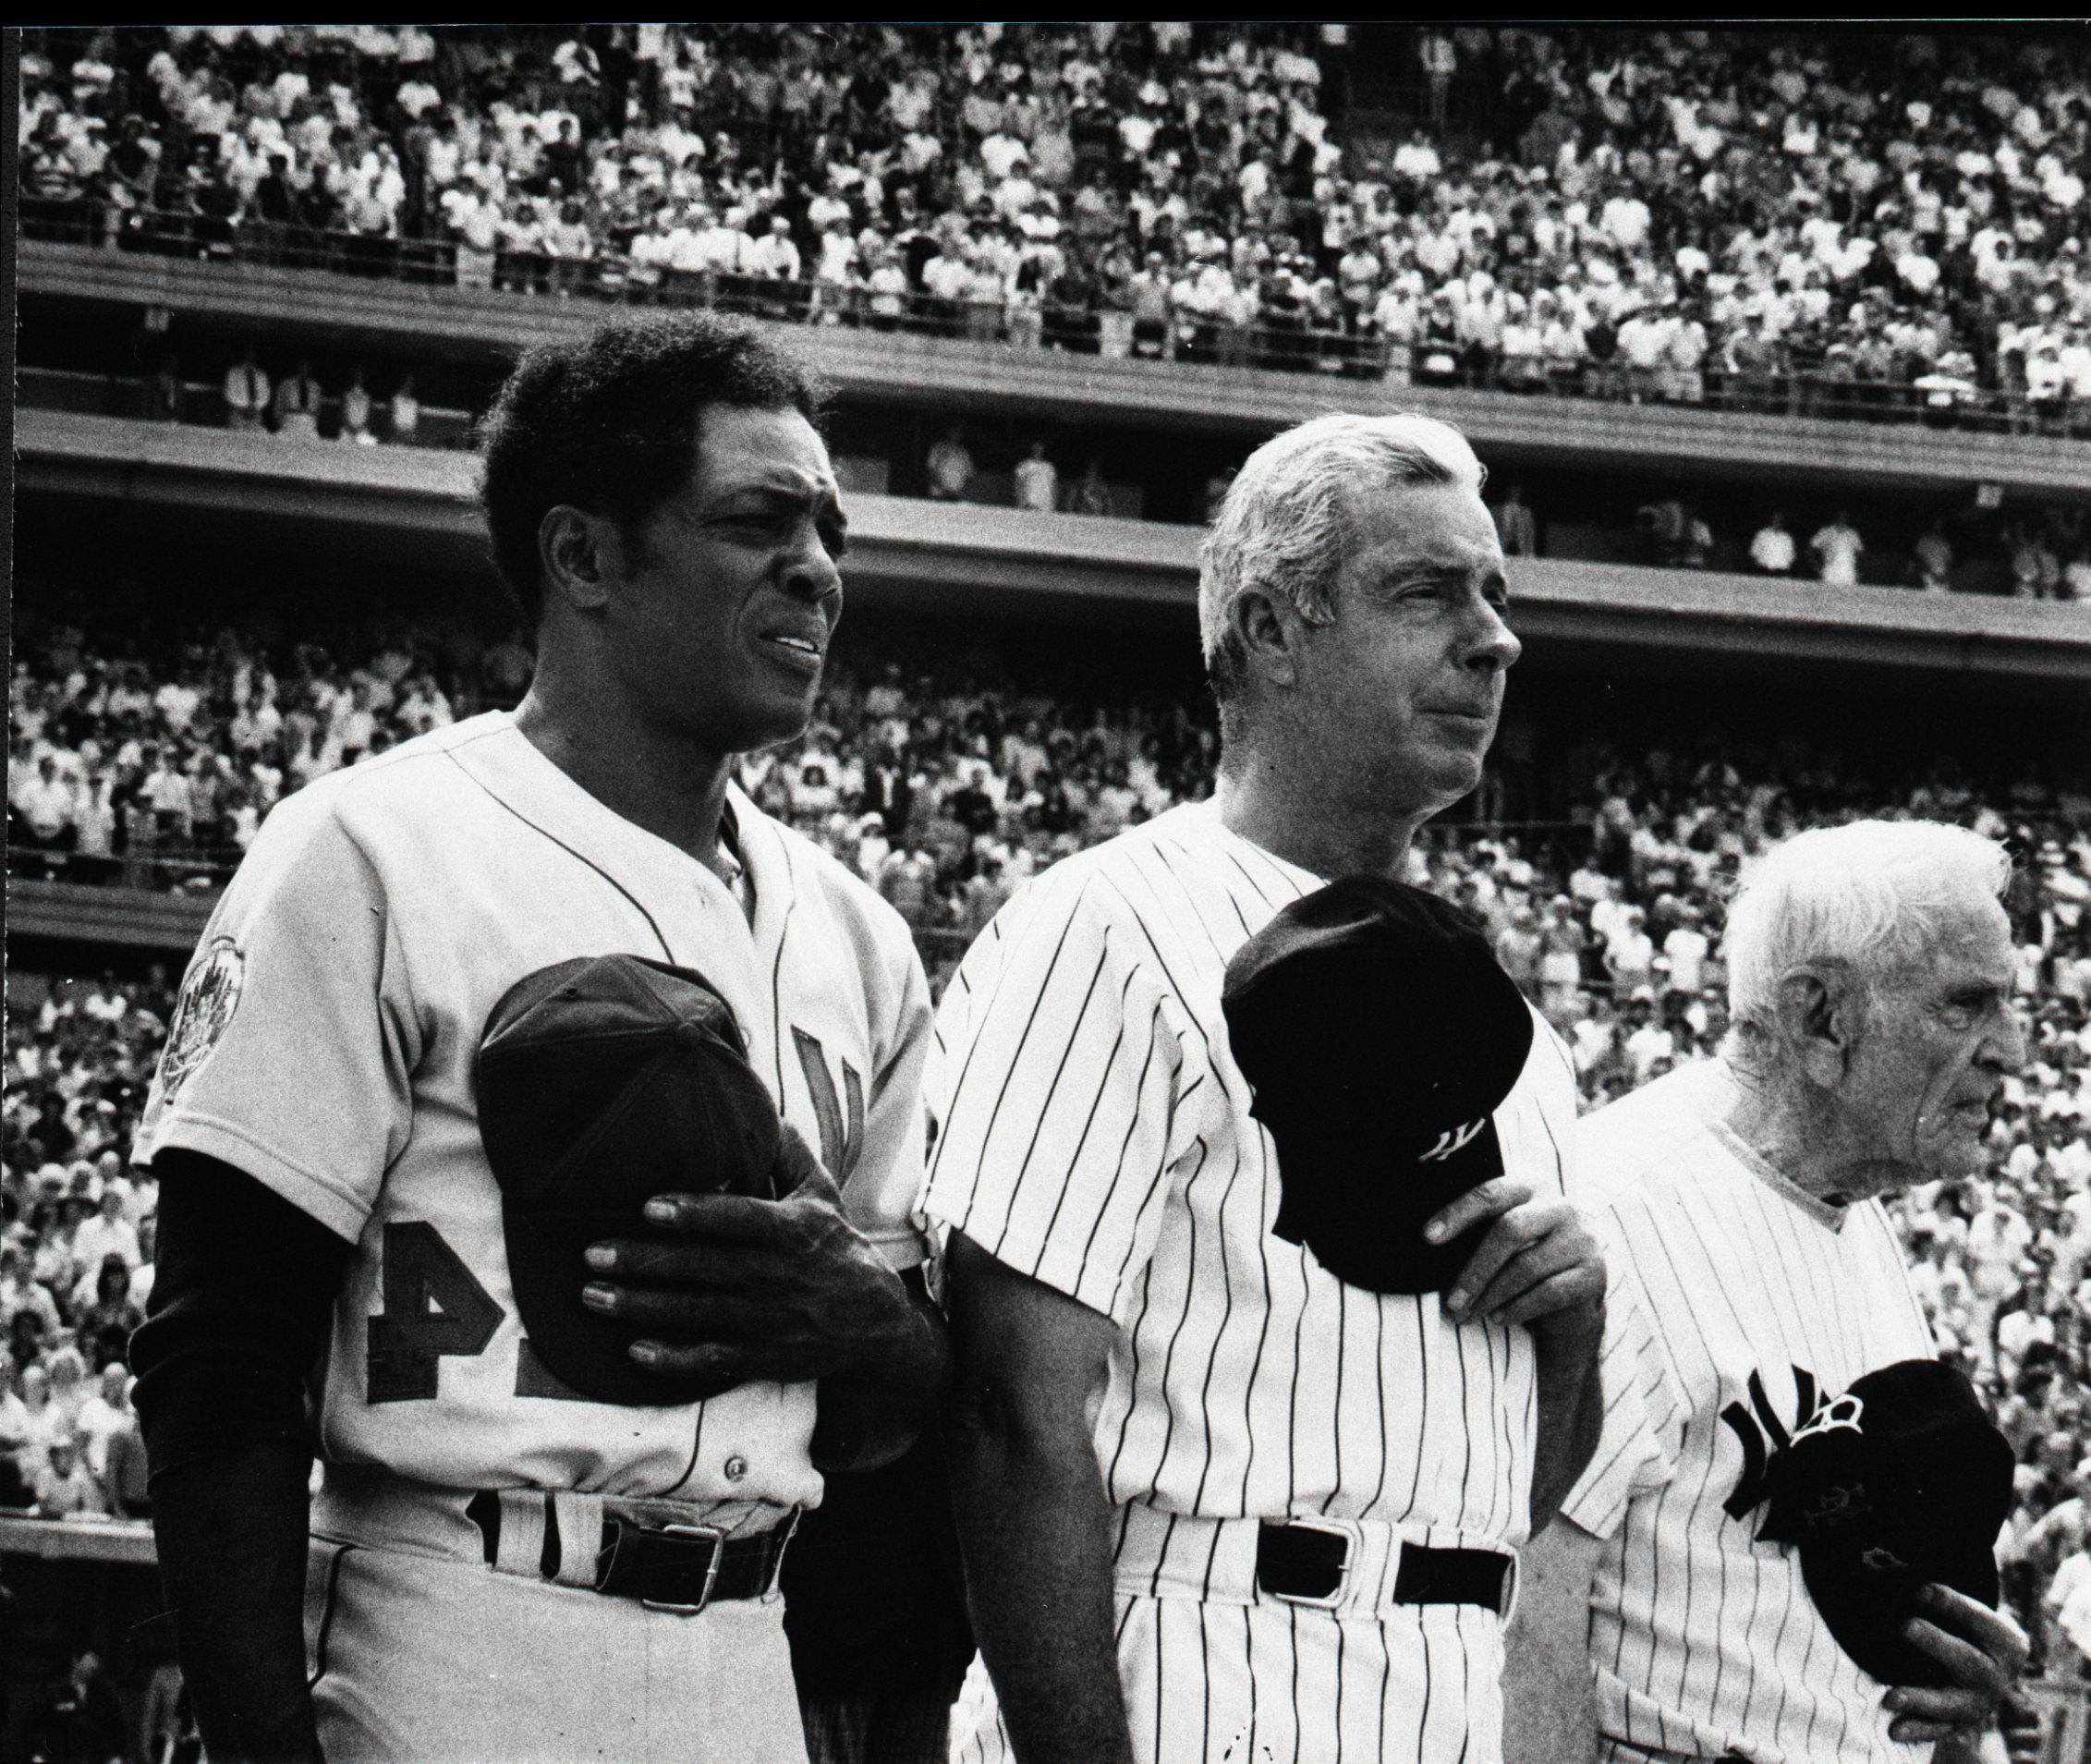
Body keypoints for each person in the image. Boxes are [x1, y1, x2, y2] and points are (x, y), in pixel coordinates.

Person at [128, 316, 958, 1764]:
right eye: (757, 519)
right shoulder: (371, 848)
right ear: (581, 558)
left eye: (826, 526)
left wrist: (880, 1331)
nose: (818, 566)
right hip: (456, 1620)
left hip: (751, 1645)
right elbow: (223, 1350)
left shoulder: (859, 937)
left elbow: (896, 1416)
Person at [926, 413, 1608, 1763]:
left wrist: (1570, 1336)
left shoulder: (1516, 1030)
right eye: (1424, 593)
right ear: (1270, 631)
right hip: (1196, 1647)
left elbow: (1510, 1495)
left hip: (1443, 1676)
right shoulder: (1107, 926)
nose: (1493, 638)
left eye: (1496, 594)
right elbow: (1011, 1416)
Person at [1504, 821, 2034, 1764]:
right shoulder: (1620, 1210)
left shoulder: (1850, 1209)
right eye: (1966, 1006)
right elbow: (1526, 1616)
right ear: (1821, 1017)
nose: (2014, 1049)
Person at [1014, 441, 1059, 515]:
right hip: (1030, 501)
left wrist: (1055, 501)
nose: (1038, 450)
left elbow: (1054, 485)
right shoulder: (1025, 465)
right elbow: (1018, 483)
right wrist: (1020, 499)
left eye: (1040, 449)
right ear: (1032, 450)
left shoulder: (1049, 467)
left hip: (1047, 503)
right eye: (1036, 448)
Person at [1748, 511, 1796, 577]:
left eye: (1779, 519)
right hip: (1763, 570)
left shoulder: (1787, 538)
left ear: (1783, 521)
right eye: (1775, 519)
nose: (1777, 521)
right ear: (1771, 520)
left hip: (1780, 572)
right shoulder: (1762, 534)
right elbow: (1753, 553)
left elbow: (1791, 557)